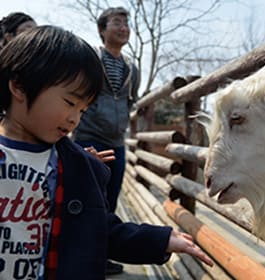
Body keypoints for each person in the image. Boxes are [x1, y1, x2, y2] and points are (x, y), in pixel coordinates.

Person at [0, 25, 213, 279]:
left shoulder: (74, 166)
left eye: (82, 110)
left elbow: (100, 231)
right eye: (69, 103)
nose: (74, 120)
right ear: (20, 87)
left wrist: (159, 240)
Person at [72, 7, 136, 273]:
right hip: (89, 137)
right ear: (102, 29)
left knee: (109, 199)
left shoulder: (131, 67)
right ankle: (76, 254)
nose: (123, 28)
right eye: (117, 23)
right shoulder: (91, 58)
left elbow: (130, 99)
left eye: (126, 24)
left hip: (117, 141)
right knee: (85, 198)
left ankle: (101, 255)